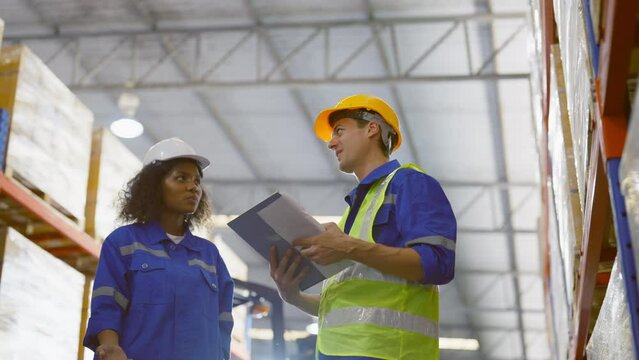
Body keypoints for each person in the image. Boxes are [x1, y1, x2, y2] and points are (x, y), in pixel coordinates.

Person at [270, 95, 456, 359]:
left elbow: (439, 264)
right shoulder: (350, 215)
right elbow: (345, 303)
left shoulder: (409, 183)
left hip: (389, 353)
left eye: (339, 131)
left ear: (372, 128)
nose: (332, 143)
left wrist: (349, 247)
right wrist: (294, 296)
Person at [83, 138, 234, 360]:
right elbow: (107, 306)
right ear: (154, 185)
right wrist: (111, 349)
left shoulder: (209, 256)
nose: (193, 187)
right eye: (181, 178)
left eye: (197, 181)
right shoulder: (124, 243)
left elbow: (223, 325)